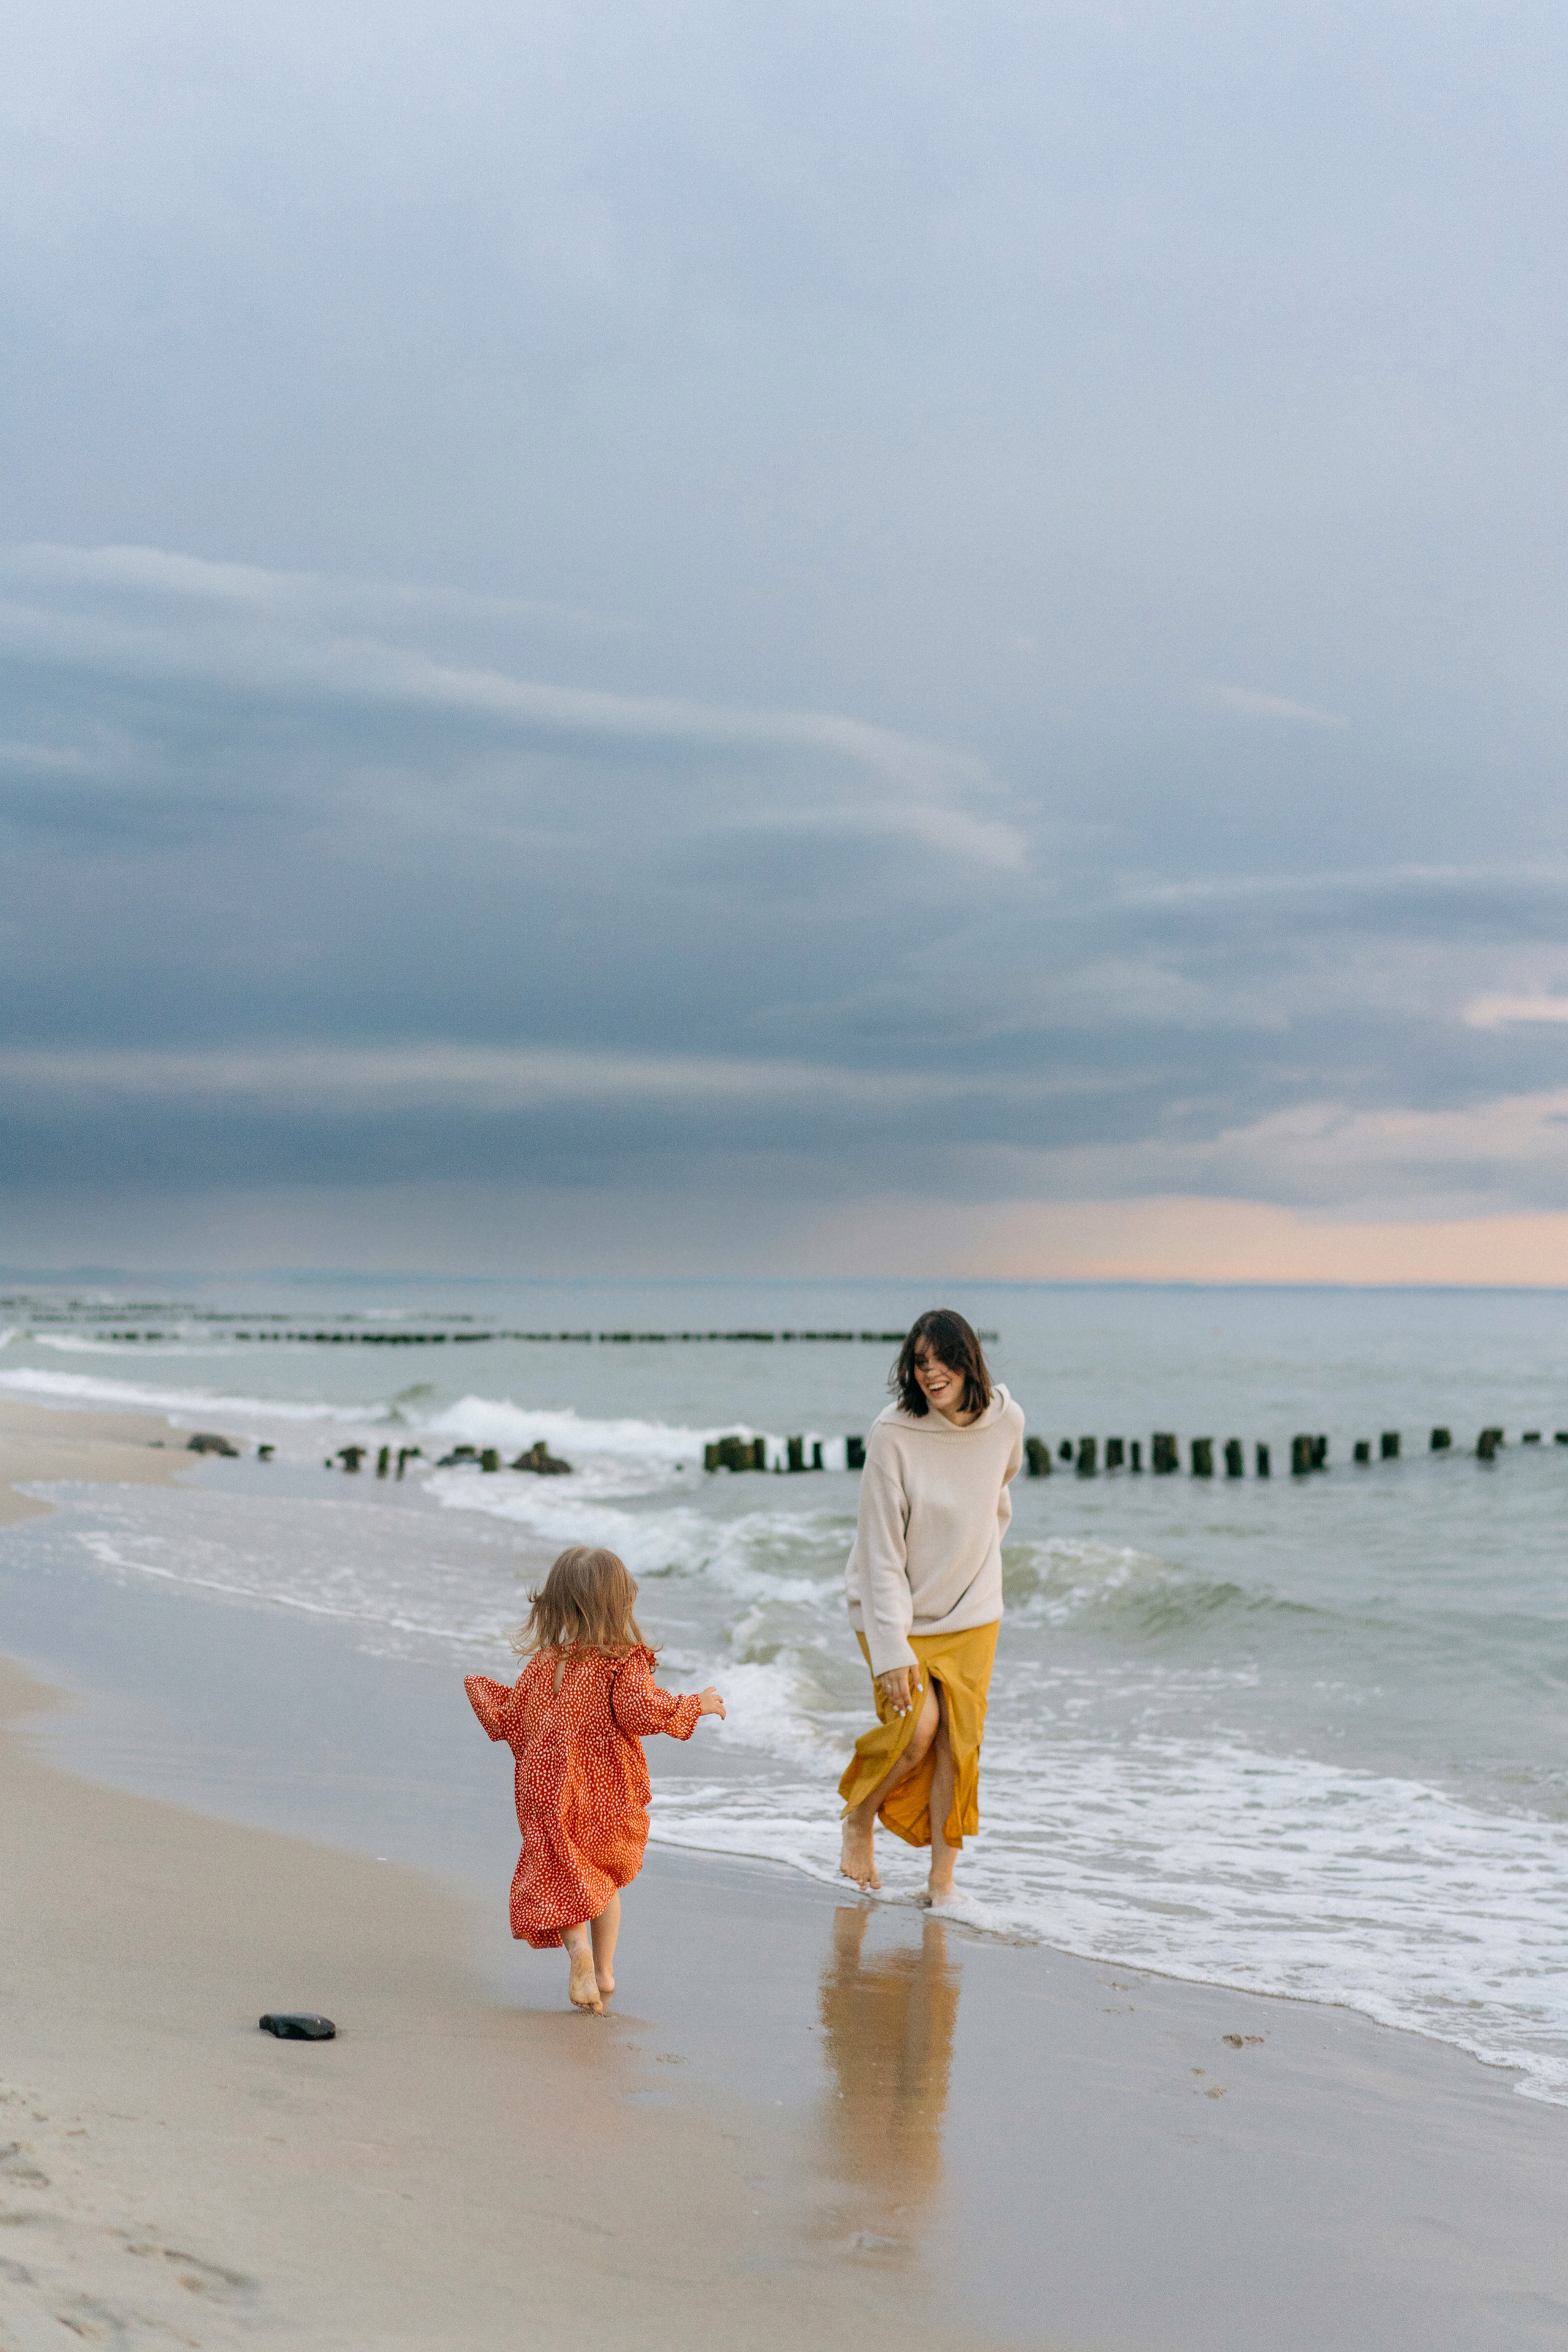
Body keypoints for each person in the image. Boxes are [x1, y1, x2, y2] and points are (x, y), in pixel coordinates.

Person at [465, 1544, 726, 2014]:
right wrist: (694, 1705)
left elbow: (519, 1719)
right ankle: (602, 1971)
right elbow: (640, 1711)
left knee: (564, 1868)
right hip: (604, 1790)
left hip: (545, 1789)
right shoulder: (622, 1661)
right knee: (602, 1877)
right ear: (620, 1603)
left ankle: (578, 1953)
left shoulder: (543, 1664)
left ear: (558, 1604)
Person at [839, 1309, 1023, 1904]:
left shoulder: (1006, 1420)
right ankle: (858, 1818)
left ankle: (942, 1884)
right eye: (920, 1364)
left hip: (973, 1614)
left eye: (941, 1360)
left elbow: (999, 1493)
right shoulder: (893, 1434)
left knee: (957, 1744)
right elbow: (880, 1551)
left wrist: (976, 1570)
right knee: (915, 1733)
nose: (931, 1373)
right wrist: (892, 1649)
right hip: (894, 1609)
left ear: (968, 1359)